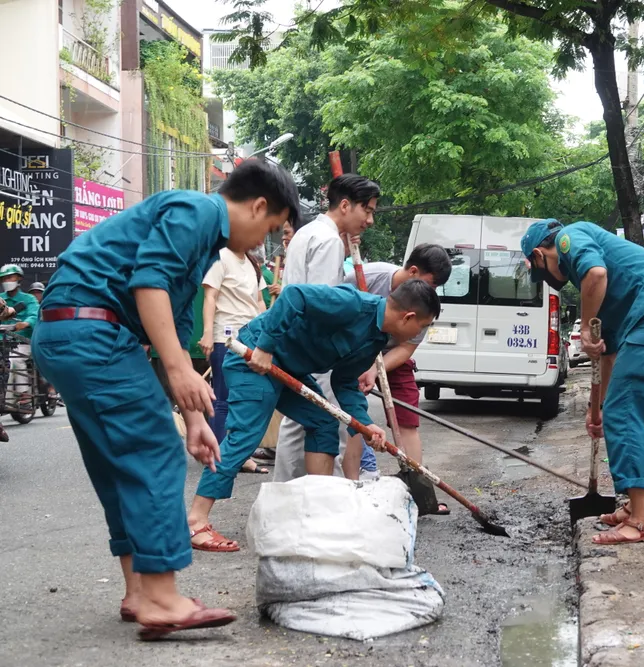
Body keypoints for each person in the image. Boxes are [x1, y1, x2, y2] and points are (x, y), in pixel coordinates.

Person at [31, 159, 299, 639]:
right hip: (94, 332)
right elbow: (148, 283)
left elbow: (172, 326)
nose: (265, 242)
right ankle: (161, 598)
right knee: (153, 452)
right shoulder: (197, 210)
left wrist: (194, 417)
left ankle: (139, 591)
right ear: (259, 205)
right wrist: (179, 372)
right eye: (272, 227)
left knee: (119, 463)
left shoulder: (202, 244)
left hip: (66, 334)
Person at [186, 280, 440, 551]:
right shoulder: (354, 305)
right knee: (245, 437)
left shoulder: (376, 338)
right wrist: (266, 347)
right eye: (423, 326)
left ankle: (319, 513)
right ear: (408, 317)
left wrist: (364, 423)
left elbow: (344, 381)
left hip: (288, 370)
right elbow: (295, 296)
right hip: (254, 359)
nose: (420, 333)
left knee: (323, 422)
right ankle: (196, 521)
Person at [521, 220, 644, 546]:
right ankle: (634, 506)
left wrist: (587, 328)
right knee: (624, 406)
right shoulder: (607, 292)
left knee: (627, 410)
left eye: (540, 270)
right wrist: (596, 409)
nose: (549, 280)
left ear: (538, 254)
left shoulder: (568, 238)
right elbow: (609, 356)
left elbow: (596, 275)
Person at [273, 174, 381, 483]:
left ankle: (286, 496)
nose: (370, 220)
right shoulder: (328, 240)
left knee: (298, 423)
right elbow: (322, 304)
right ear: (346, 206)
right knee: (328, 422)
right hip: (315, 349)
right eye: (368, 210)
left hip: (295, 344)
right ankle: (327, 498)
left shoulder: (310, 233)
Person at [345, 244, 453, 515]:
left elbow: (406, 348)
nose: (434, 292)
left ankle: (416, 495)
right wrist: (362, 362)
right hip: (353, 353)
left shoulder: (425, 303)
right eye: (432, 283)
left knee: (408, 419)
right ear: (414, 271)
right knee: (354, 420)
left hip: (393, 355)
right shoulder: (367, 277)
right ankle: (351, 492)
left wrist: (374, 367)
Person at [198, 242, 269, 472]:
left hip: (251, 338)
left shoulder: (252, 264)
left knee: (246, 400)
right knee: (223, 399)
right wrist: (208, 333)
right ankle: (219, 456)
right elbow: (210, 297)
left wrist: (266, 335)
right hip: (225, 337)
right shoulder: (219, 257)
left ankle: (241, 456)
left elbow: (258, 302)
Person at [0, 265, 39, 410]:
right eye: (4, 278)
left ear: (19, 279)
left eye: (10, 277)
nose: (7, 280)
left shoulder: (28, 299)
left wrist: (26, 323)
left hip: (22, 342)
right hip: (2, 342)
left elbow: (35, 315)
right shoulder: (1, 298)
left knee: (14, 361)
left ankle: (24, 395)